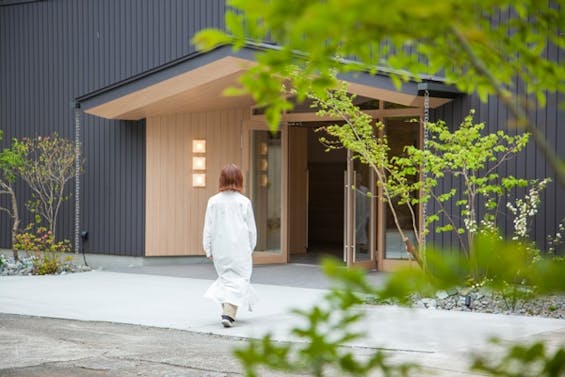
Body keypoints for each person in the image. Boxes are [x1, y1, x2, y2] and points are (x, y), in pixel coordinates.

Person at [203, 163, 258, 328]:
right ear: (239, 179)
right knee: (240, 280)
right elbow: (251, 230)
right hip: (240, 249)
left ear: (221, 180)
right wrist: (251, 248)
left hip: (220, 248)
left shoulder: (213, 201)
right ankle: (228, 313)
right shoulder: (244, 202)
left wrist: (208, 249)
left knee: (226, 279)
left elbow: (208, 228)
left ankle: (228, 311)